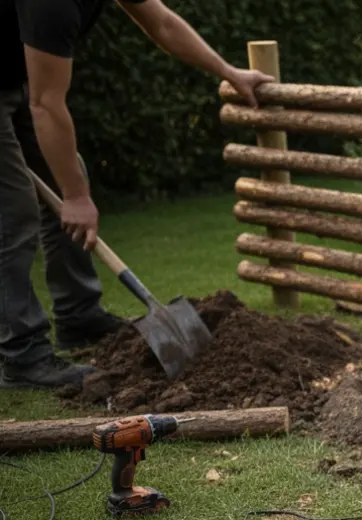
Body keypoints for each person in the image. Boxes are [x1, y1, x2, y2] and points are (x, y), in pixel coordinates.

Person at [1, 1, 272, 389]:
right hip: (25, 89)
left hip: (16, 78)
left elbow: (162, 24)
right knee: (13, 214)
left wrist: (227, 72)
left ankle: (79, 317)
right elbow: (45, 104)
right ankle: (21, 355)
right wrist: (76, 198)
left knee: (70, 174)